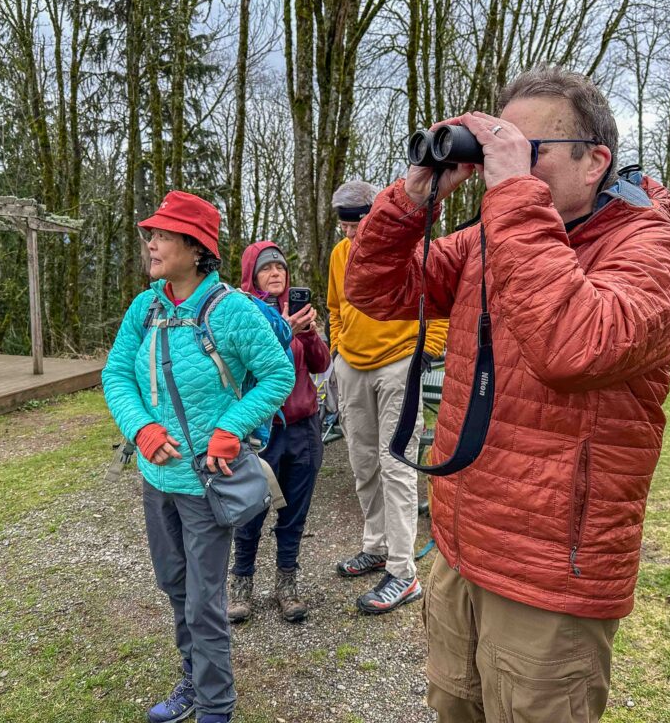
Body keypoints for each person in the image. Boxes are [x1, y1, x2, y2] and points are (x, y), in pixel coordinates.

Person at [345, 66, 670, 721]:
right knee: (454, 706)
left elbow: (573, 346)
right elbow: (376, 290)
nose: (507, 168)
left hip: (549, 576)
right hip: (460, 542)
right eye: (501, 148)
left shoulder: (647, 247)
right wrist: (414, 195)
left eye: (527, 151)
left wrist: (510, 198)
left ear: (596, 162)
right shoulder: (496, 235)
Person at [102, 191, 294, 723]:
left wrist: (232, 427)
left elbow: (280, 374)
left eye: (163, 234)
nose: (152, 242)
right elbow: (116, 374)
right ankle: (192, 679)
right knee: (173, 583)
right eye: (151, 233)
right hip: (156, 478)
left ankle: (215, 704)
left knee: (204, 601)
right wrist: (140, 428)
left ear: (195, 246)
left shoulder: (231, 310)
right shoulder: (146, 307)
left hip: (208, 484)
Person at [327, 180, 449, 614]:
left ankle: (403, 572)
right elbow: (335, 307)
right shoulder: (340, 255)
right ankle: (375, 546)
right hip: (353, 366)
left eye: (356, 225)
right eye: (344, 227)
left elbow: (440, 304)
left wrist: (427, 351)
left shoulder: (412, 249)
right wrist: (338, 348)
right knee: (362, 462)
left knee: (395, 463)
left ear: (374, 216)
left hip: (400, 362)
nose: (350, 235)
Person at [227, 241, 330, 623]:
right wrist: (284, 330)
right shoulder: (240, 312)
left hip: (303, 426)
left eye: (280, 268)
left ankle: (287, 583)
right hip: (260, 430)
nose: (275, 273)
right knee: (252, 508)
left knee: (295, 513)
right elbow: (242, 365)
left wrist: (308, 333)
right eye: (266, 268)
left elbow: (320, 364)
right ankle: (241, 582)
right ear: (251, 274)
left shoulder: (297, 311)